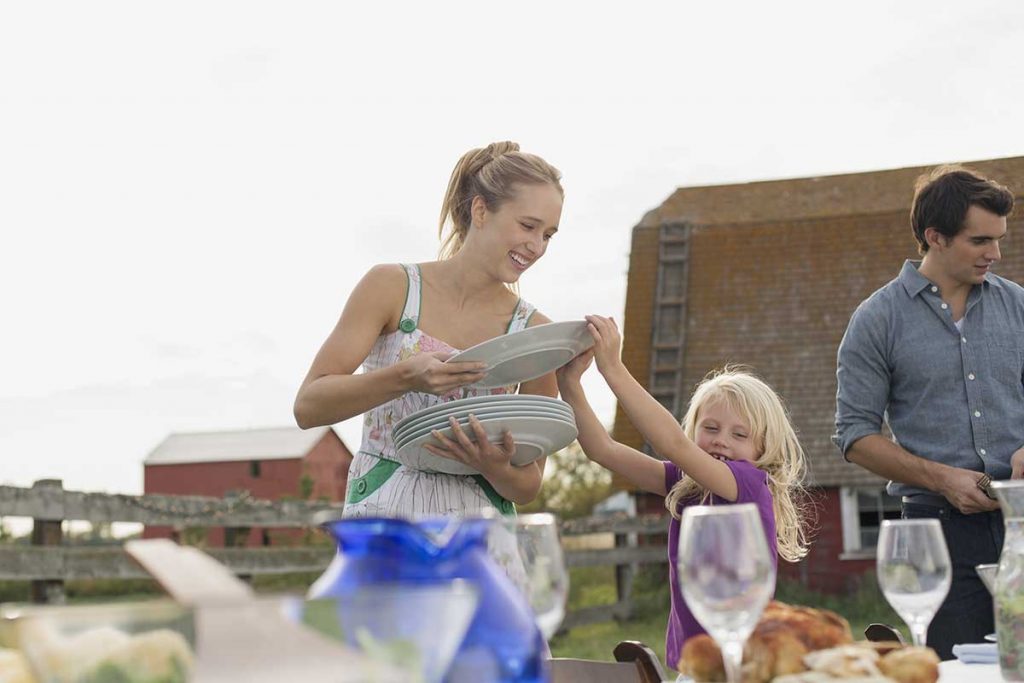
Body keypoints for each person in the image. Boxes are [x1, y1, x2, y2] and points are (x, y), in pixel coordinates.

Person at [294, 141, 564, 519]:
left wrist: (494, 465)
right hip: (385, 526)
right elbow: (309, 406)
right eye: (528, 226)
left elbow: (530, 485)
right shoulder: (390, 287)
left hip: (481, 539)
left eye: (548, 235)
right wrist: (405, 376)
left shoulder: (535, 332)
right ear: (481, 211)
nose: (536, 247)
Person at [834, 165, 1024, 659]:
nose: (996, 254)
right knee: (956, 669)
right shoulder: (877, 320)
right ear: (934, 237)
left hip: (1021, 523)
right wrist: (941, 478)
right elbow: (854, 434)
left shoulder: (1019, 307)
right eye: (980, 240)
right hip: (936, 533)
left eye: (999, 239)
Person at [556, 314, 809, 670]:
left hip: (743, 664)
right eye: (711, 427)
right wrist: (570, 385)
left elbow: (674, 444)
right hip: (696, 665)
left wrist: (613, 368)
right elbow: (603, 450)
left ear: (763, 448)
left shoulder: (749, 483)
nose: (721, 440)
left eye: (740, 435)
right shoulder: (686, 484)